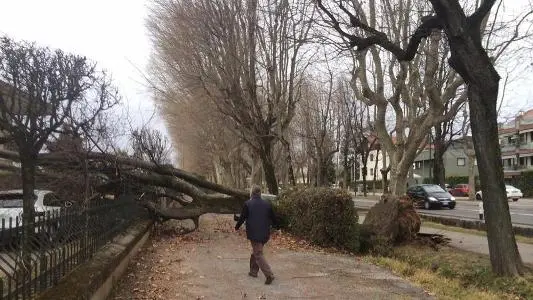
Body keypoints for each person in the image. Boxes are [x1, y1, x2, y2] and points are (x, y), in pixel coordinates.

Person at [235, 185, 276, 285]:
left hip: (254, 233)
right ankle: (253, 271)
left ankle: (269, 274)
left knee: (258, 253)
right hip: (265, 233)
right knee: (257, 251)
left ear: (251, 193)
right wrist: (278, 227)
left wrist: (237, 227)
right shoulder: (267, 204)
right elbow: (273, 218)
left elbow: (242, 218)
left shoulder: (248, 204)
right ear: (260, 193)